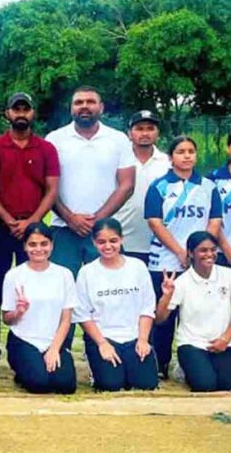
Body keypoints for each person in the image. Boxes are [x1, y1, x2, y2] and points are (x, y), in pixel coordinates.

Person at [0, 92, 59, 368]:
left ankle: (35, 346)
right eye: (16, 109)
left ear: (33, 113)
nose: (21, 114)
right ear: (7, 114)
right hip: (1, 226)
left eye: (26, 109)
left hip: (34, 229)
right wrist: (10, 220)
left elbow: (52, 189)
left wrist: (31, 222)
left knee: (34, 288)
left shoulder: (46, 149)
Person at [145, 136, 221, 379]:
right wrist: (179, 251)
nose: (187, 156)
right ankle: (160, 363)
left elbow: (215, 220)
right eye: (181, 151)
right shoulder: (159, 186)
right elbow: (154, 222)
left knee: (198, 311)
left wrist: (201, 252)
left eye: (191, 151)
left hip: (199, 263)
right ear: (171, 157)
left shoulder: (208, 186)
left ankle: (190, 361)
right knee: (165, 314)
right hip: (165, 260)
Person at [45, 86, 135, 278]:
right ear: (71, 108)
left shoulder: (118, 140)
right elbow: (46, 187)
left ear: (101, 107)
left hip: (104, 231)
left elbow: (127, 185)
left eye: (90, 102)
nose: (84, 106)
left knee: (109, 287)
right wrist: (70, 218)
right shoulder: (54, 139)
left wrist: (97, 219)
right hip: (63, 228)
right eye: (78, 102)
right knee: (64, 290)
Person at [73, 218, 158, 392]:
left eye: (113, 241)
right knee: (111, 385)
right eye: (101, 242)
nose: (108, 246)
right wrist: (102, 343)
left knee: (146, 384)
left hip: (133, 336)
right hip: (104, 337)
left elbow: (147, 307)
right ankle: (96, 368)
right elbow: (82, 314)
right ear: (94, 243)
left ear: (121, 239)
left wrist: (142, 340)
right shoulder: (87, 272)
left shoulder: (138, 267)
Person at [2, 222, 77, 394]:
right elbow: (6, 318)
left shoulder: (64, 275)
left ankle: (43, 363)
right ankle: (23, 370)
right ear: (25, 246)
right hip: (24, 339)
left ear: (51, 245)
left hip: (52, 340)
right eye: (32, 244)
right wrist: (18, 312)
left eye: (44, 244)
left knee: (65, 385)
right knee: (39, 384)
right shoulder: (14, 275)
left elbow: (66, 318)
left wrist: (54, 349)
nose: (38, 249)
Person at [156, 232, 231, 391]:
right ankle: (185, 369)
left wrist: (225, 338)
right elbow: (160, 319)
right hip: (192, 343)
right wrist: (166, 296)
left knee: (226, 385)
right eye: (203, 250)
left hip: (224, 342)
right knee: (205, 385)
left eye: (212, 249)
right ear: (190, 253)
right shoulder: (182, 282)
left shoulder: (227, 275)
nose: (209, 254)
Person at [113, 111, 170, 265]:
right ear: (129, 133)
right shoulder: (118, 161)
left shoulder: (168, 163)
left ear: (158, 133)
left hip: (160, 243)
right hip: (123, 239)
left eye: (150, 128)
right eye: (139, 128)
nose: (145, 133)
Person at [208, 133, 231, 265]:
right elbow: (211, 219)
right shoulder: (212, 180)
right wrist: (227, 249)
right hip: (221, 253)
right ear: (228, 148)